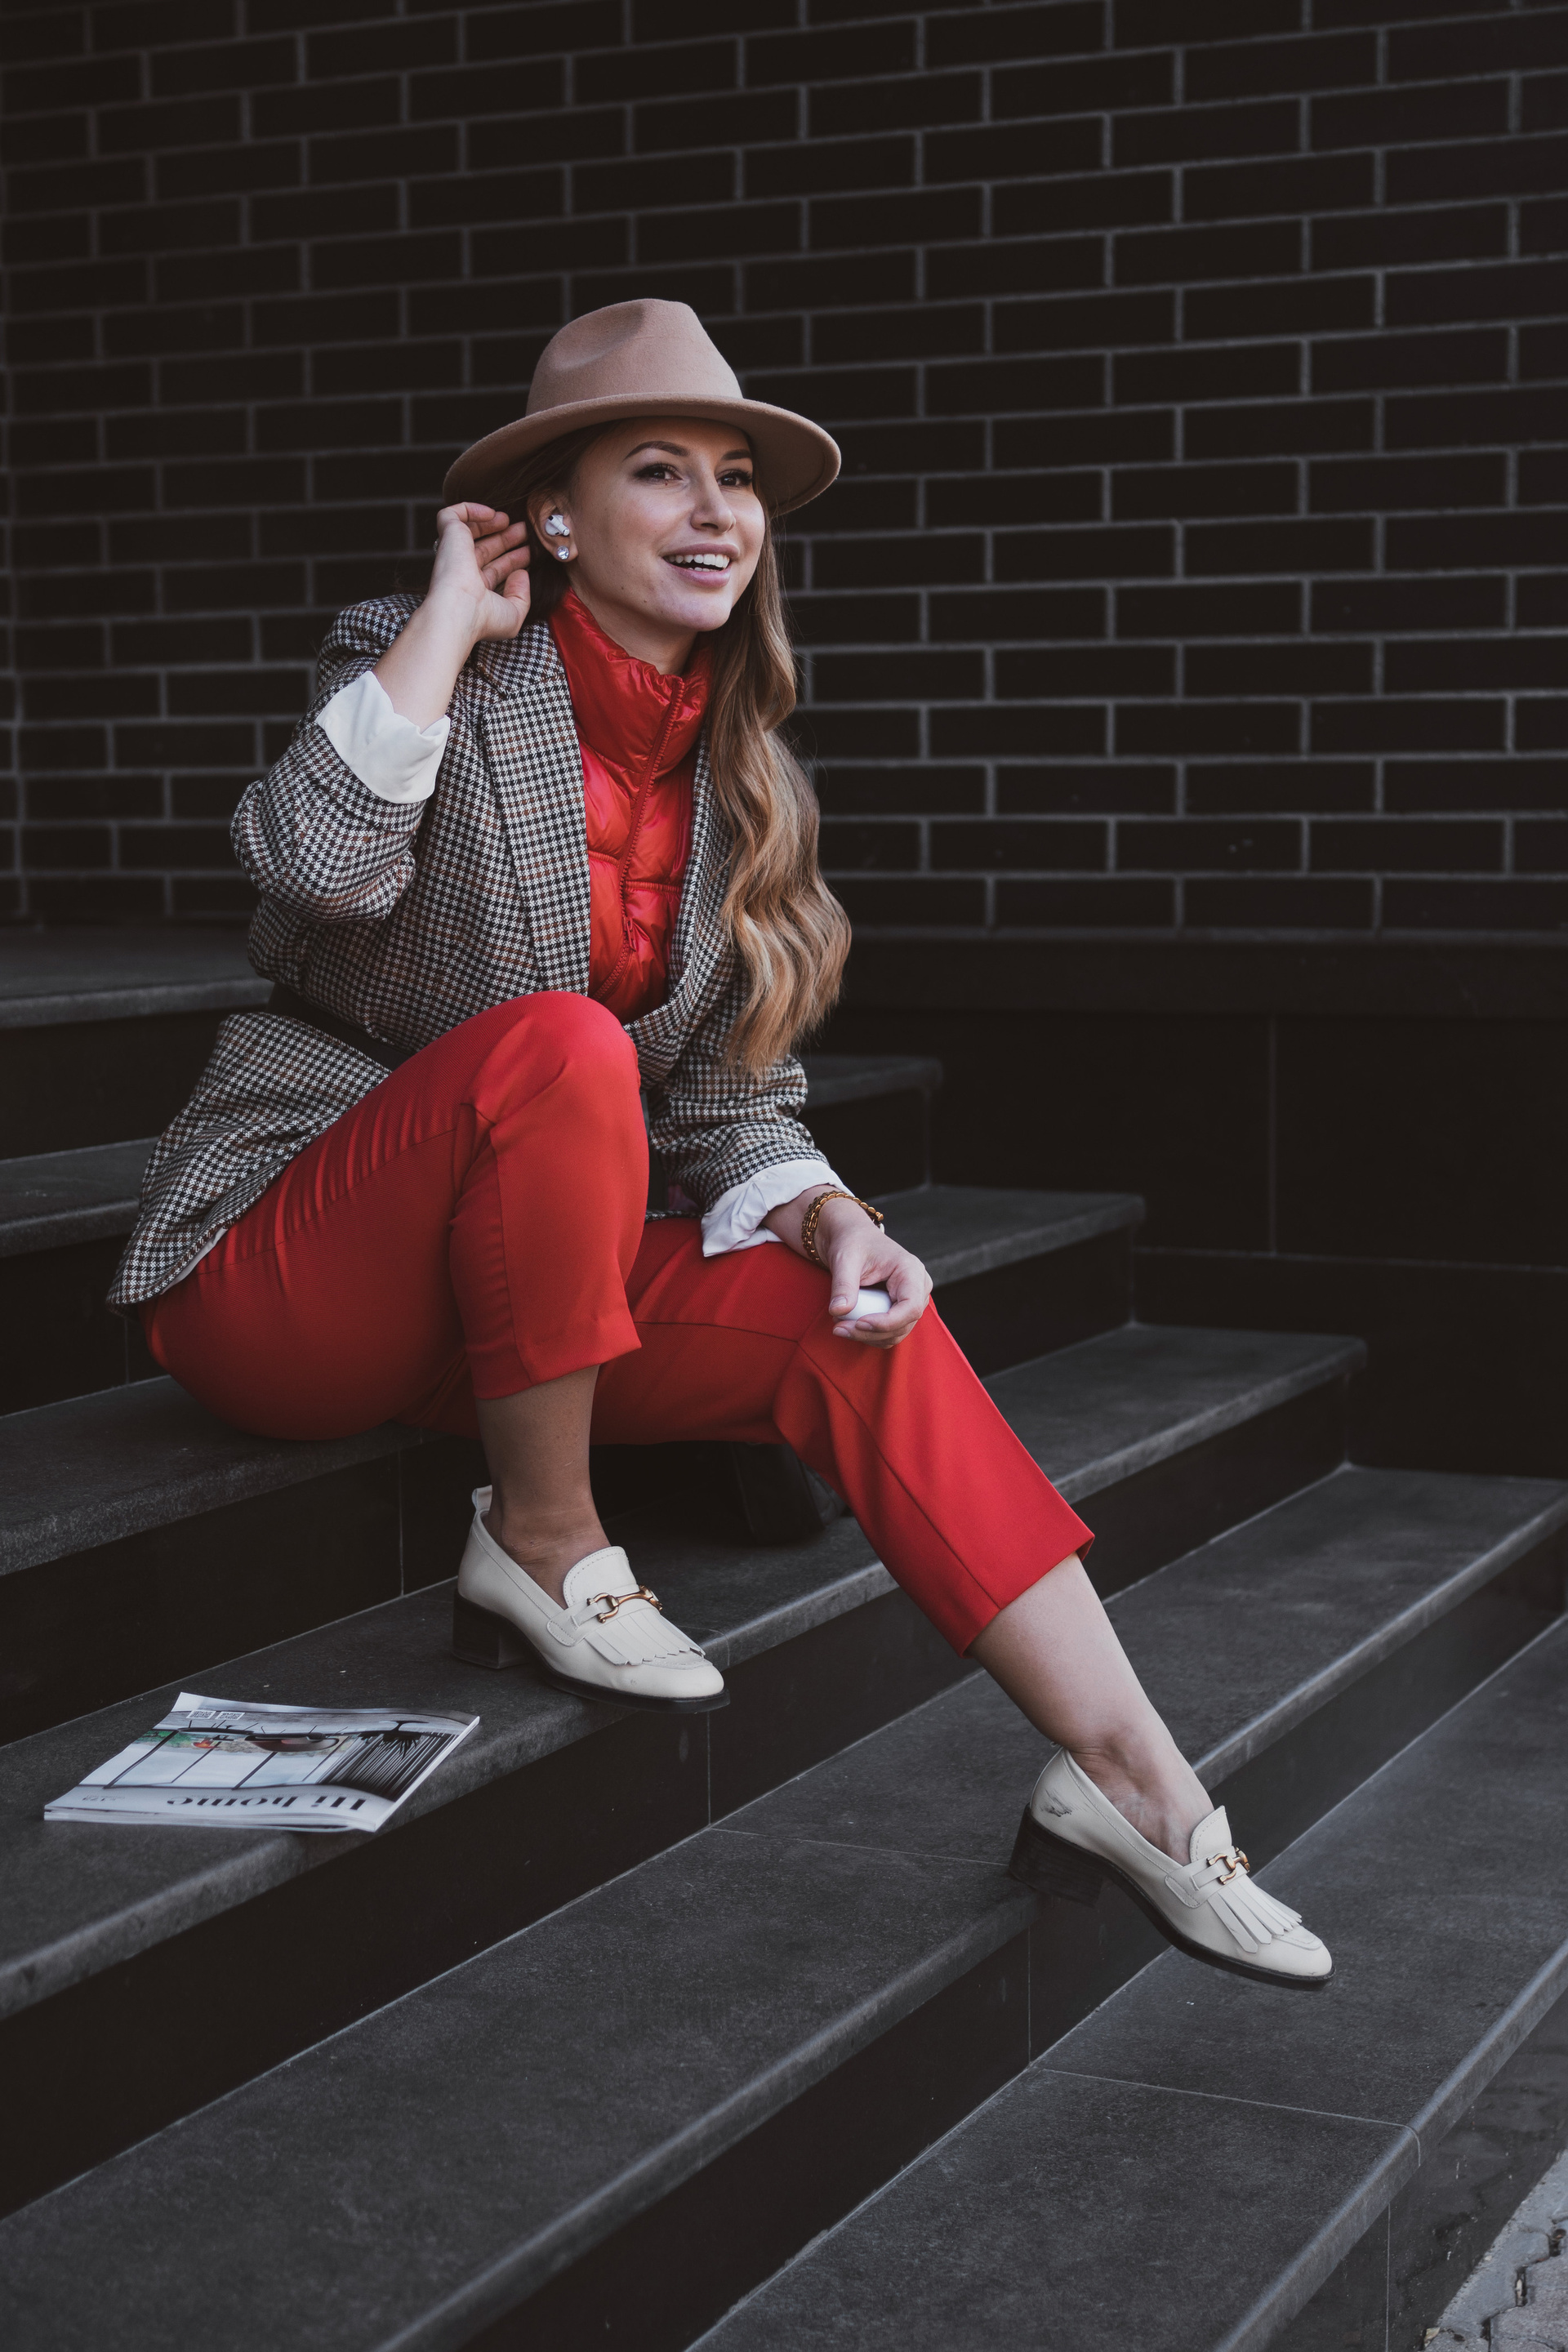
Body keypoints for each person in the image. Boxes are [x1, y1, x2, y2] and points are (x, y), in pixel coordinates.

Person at [109, 301, 1329, 1991]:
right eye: (659, 470)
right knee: (561, 1043)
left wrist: (831, 1220)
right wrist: (450, 621)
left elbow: (726, 1100)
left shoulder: (738, 775)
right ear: (551, 516)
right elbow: (307, 870)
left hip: (501, 1308)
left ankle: (1139, 1784)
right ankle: (545, 1539)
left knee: (859, 1329)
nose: (714, 511)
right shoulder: (425, 660)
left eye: (737, 477)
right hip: (291, 1273)